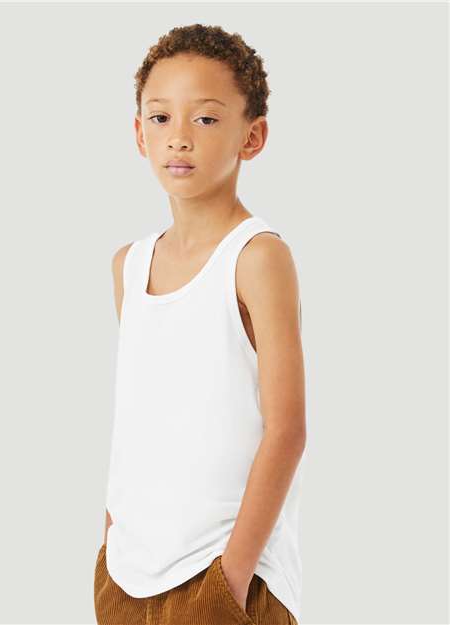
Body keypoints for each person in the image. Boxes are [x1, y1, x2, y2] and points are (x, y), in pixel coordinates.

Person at [94, 23, 307, 625]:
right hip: (126, 579)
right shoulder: (130, 265)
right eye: (161, 117)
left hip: (225, 581)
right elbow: (139, 419)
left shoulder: (258, 257)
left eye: (207, 119)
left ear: (252, 136)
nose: (179, 137)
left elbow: (287, 430)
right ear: (139, 133)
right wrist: (109, 547)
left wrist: (230, 579)